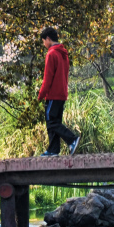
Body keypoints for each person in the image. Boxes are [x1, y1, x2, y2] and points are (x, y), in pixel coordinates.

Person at [37, 27, 80, 156]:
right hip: (62, 93)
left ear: (48, 39)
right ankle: (53, 149)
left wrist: (41, 95)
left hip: (53, 94)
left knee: (51, 122)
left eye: (44, 41)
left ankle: (72, 139)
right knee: (55, 121)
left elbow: (48, 78)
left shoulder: (51, 54)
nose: (44, 44)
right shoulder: (63, 54)